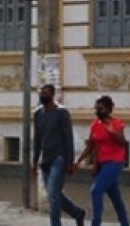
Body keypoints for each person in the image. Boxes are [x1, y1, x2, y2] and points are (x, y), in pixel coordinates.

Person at [32, 83, 85, 226]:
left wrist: (70, 161)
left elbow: (68, 138)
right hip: (45, 159)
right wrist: (34, 161)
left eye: (45, 93)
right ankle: (77, 213)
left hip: (59, 157)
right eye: (41, 93)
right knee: (53, 194)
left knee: (53, 192)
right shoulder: (38, 114)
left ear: (52, 94)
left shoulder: (62, 113)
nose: (42, 96)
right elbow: (37, 139)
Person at [75, 94, 130, 226]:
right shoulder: (95, 124)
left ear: (108, 109)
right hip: (101, 163)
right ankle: (125, 222)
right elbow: (91, 146)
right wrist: (79, 161)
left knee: (96, 191)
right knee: (115, 196)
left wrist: (113, 132)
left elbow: (123, 143)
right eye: (96, 109)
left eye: (100, 109)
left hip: (114, 163)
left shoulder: (116, 124)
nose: (97, 112)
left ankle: (96, 223)